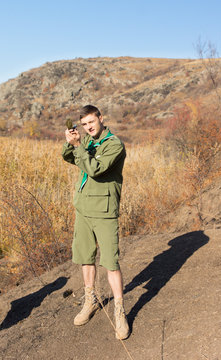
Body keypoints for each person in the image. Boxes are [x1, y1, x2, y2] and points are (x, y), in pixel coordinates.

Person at [62, 104, 129, 340]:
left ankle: (119, 311)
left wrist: (79, 147)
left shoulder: (114, 144)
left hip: (105, 212)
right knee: (85, 258)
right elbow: (69, 157)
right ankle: (90, 301)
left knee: (110, 262)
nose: (88, 127)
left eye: (91, 122)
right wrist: (71, 142)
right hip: (84, 210)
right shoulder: (88, 141)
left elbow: (94, 169)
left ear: (101, 118)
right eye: (84, 125)